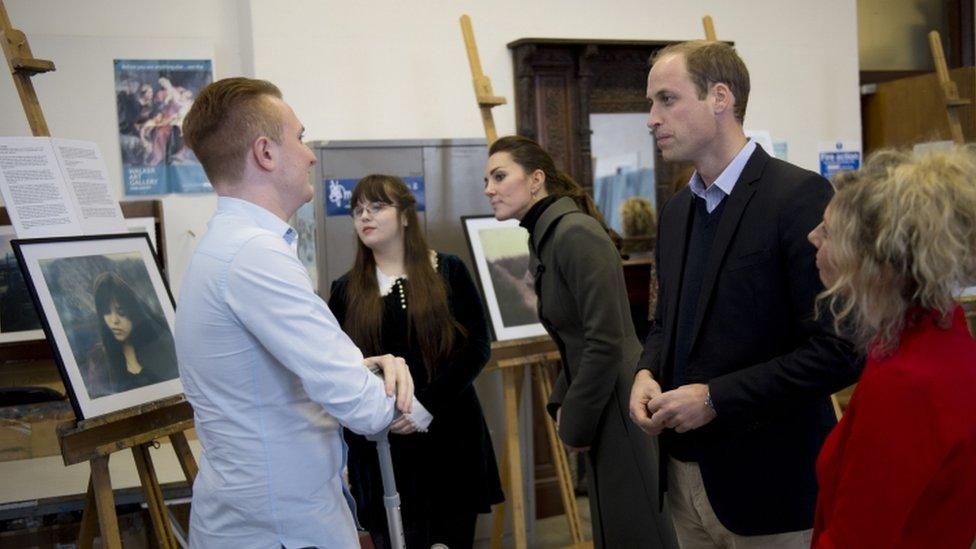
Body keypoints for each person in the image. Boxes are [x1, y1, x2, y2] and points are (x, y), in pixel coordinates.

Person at [628, 40, 861, 548]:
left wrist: (716, 398)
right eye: (652, 103)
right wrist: (646, 371)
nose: (651, 118)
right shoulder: (675, 213)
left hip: (770, 486)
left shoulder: (799, 197)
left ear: (720, 97)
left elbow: (840, 350)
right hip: (684, 480)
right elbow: (665, 323)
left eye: (666, 99)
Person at [175, 77, 416, 549]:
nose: (309, 155)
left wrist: (366, 367)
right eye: (300, 138)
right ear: (265, 153)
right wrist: (392, 380)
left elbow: (277, 375)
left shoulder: (233, 248)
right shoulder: (253, 257)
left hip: (269, 517)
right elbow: (364, 406)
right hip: (279, 528)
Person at [484, 135, 677, 549]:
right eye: (488, 179)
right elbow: (575, 339)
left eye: (500, 176)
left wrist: (575, 419)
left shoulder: (574, 234)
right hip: (603, 398)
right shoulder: (548, 235)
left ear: (536, 179)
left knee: (638, 531)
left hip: (621, 403)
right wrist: (561, 399)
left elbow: (605, 340)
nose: (489, 188)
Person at [809, 147, 976, 548]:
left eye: (829, 232)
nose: (811, 236)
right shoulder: (942, 335)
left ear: (876, 262)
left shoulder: (907, 379)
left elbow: (859, 537)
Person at [328, 174, 504, 548]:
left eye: (377, 207)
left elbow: (477, 348)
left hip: (448, 437)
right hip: (379, 444)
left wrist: (425, 405)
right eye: (358, 210)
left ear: (406, 215)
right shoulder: (345, 289)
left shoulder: (448, 270)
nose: (365, 217)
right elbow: (340, 368)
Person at [83, 271, 178, 398]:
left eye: (120, 311)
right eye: (107, 312)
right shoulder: (98, 359)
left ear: (133, 311)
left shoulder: (161, 345)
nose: (114, 320)